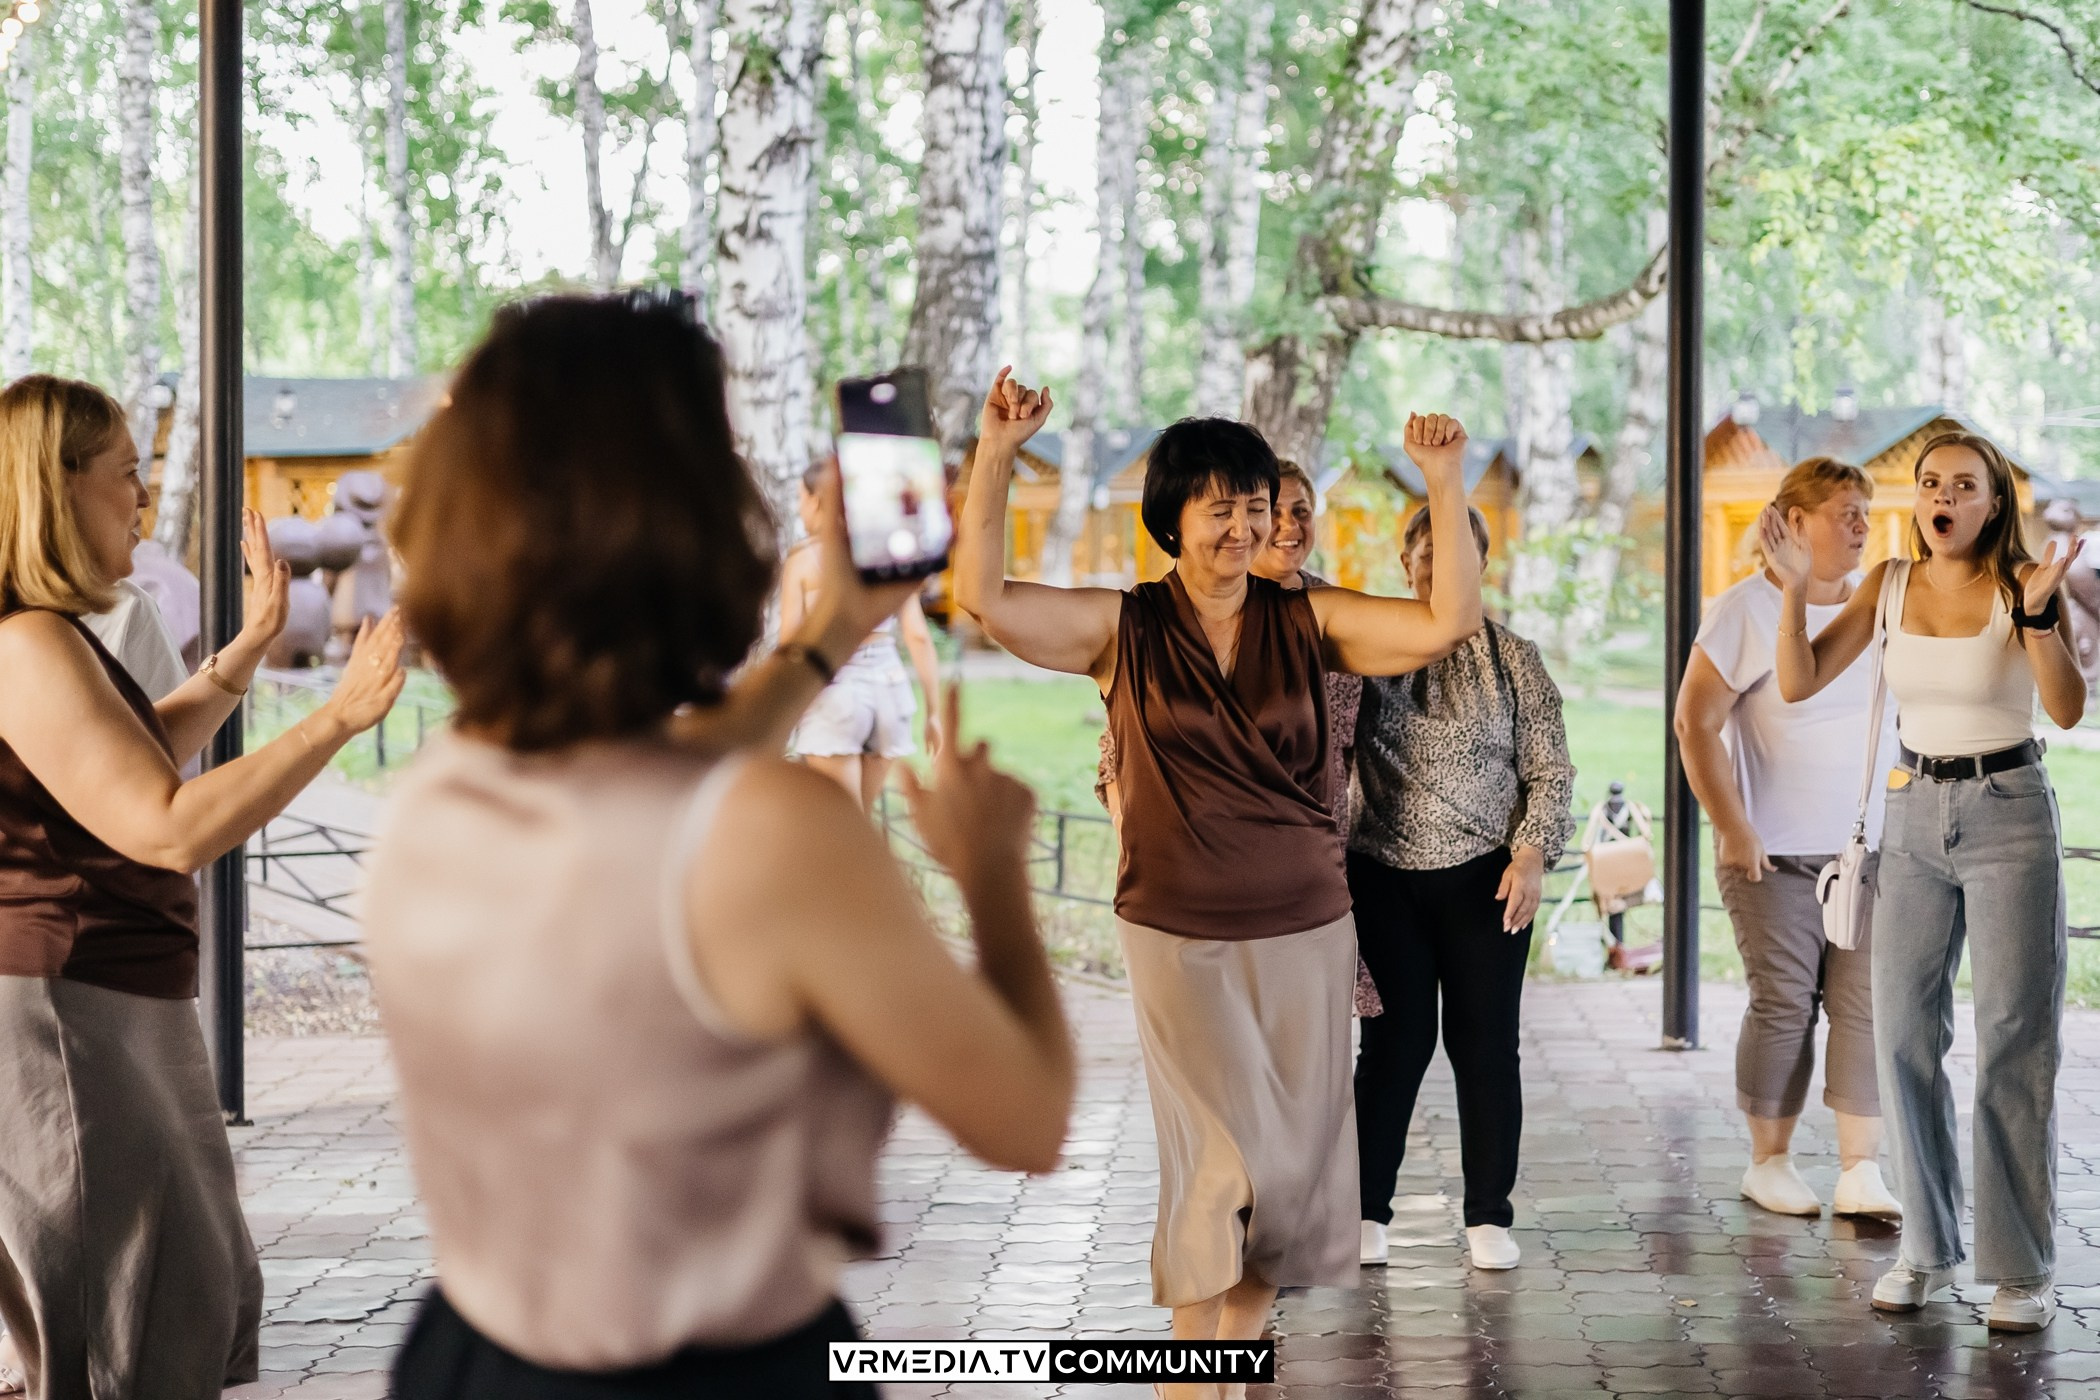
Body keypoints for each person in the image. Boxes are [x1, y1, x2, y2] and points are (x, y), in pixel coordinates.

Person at [361, 295, 1075, 1399]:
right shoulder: (771, 838)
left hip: (469, 1354)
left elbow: (663, 786)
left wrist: (831, 628)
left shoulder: (438, 794)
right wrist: (990, 876)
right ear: (688, 513)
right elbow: (1027, 1115)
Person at [955, 370, 1481, 1399]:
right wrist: (995, 455)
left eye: (1254, 504)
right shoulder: (1123, 629)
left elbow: (1444, 620)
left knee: (1283, 1188)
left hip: (1309, 929)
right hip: (1178, 930)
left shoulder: (1311, 618)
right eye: (1219, 506)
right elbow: (985, 597)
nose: (1242, 525)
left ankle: (1212, 1378)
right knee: (1221, 1169)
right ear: (1172, 519)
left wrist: (1446, 479)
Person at [0, 373, 406, 1400]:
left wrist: (240, 658)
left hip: (108, 1003)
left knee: (175, 1295)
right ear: (55, 489)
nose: (142, 498)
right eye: (126, 475)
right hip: (68, 1016)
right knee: (117, 1333)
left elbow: (128, 758)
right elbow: (166, 825)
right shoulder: (27, 643)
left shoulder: (45, 633)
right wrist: (336, 718)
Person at [1766, 431, 2086, 1334]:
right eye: (1930, 484)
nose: (1942, 496)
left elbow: (2064, 709)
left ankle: (2021, 1269)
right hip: (1910, 811)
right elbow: (1797, 680)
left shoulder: (2022, 584)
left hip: (2010, 809)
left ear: (1993, 503)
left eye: (1963, 485)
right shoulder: (1890, 585)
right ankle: (1927, 1252)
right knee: (1903, 1035)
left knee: (2013, 1042)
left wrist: (2034, 620)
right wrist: (1794, 590)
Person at [1674, 458, 1903, 1222]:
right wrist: (1732, 825)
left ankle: (1858, 1170)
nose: (1861, 525)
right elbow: (1695, 722)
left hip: (1868, 853)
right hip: (1771, 854)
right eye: (1844, 511)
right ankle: (1767, 1162)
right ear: (1792, 522)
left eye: (1865, 511)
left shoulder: (1882, 607)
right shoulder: (1741, 611)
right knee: (1783, 1006)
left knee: (1864, 1007)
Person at [1351, 504, 1574, 1273]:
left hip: (1487, 880)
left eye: (1460, 557)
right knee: (1393, 1047)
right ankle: (1364, 1210)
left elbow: (1550, 770)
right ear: (1405, 563)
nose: (1441, 570)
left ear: (1482, 568)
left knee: (1484, 1048)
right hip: (1381, 877)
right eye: (1428, 555)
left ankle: (1488, 1216)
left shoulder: (1516, 659)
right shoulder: (1368, 652)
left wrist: (1533, 854)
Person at [780, 460, 943, 810]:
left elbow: (789, 642)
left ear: (817, 500)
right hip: (890, 690)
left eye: (800, 498)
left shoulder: (804, 557)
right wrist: (933, 712)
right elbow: (917, 635)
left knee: (842, 823)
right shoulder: (887, 551)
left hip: (834, 691)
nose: (799, 507)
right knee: (861, 820)